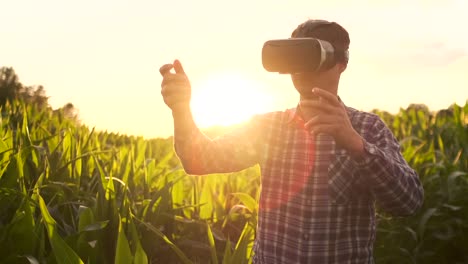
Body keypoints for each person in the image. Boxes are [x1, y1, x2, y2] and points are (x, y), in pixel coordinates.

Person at [159, 19, 424, 264]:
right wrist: (181, 110)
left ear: (341, 64)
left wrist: (356, 144)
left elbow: (408, 202)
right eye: (294, 57)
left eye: (311, 56)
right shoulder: (268, 128)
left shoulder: (369, 128)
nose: (302, 68)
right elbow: (199, 159)